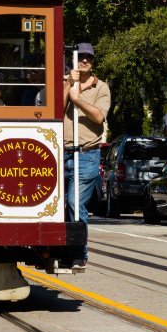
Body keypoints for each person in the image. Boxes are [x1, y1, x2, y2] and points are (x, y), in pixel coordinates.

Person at [63, 42, 110, 268]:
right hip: (61, 153)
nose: (84, 61)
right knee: (59, 206)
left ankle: (79, 254)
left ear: (92, 62)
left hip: (87, 155)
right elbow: (52, 109)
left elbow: (98, 117)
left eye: (88, 58)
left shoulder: (101, 88)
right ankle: (61, 251)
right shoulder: (65, 82)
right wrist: (68, 85)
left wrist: (77, 100)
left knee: (74, 203)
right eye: (80, 57)